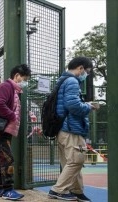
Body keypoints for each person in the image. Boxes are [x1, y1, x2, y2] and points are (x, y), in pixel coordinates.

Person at [48, 57, 94, 202]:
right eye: (86, 71)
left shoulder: (62, 80)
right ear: (80, 68)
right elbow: (73, 105)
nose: (85, 74)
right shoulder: (73, 81)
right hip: (71, 128)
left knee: (71, 161)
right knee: (76, 161)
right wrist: (89, 106)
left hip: (62, 128)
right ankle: (58, 190)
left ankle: (77, 191)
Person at [0, 64, 31, 200]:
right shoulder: (6, 87)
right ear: (16, 76)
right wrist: (12, 116)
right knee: (8, 158)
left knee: (1, 159)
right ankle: (8, 189)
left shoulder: (13, 90)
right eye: (24, 79)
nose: (25, 82)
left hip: (2, 130)